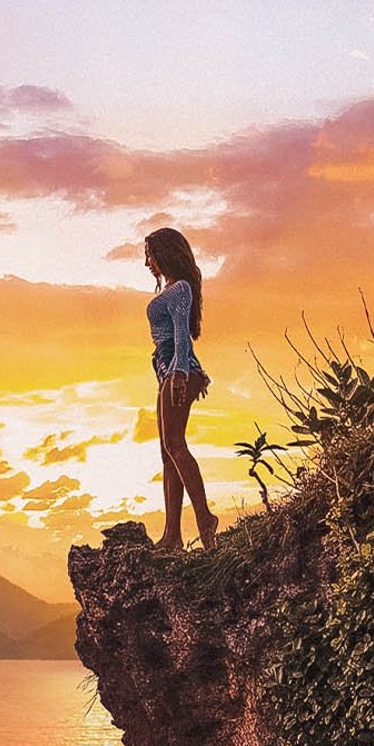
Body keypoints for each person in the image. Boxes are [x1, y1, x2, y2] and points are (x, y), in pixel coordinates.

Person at [144, 224, 219, 552]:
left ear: (164, 253)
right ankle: (172, 535)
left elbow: (179, 336)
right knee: (167, 452)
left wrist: (178, 375)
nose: (148, 263)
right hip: (170, 371)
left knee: (175, 445)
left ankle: (205, 519)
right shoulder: (175, 289)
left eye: (150, 256)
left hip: (177, 371)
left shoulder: (180, 289)